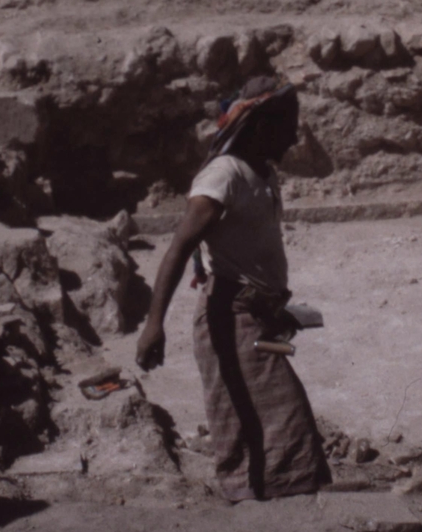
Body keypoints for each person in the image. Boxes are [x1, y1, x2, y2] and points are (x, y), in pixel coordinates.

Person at [136, 76, 331, 502]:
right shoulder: (224, 176)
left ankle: (266, 505)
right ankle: (258, 513)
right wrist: (154, 325)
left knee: (272, 424)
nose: (295, 136)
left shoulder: (261, 172)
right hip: (230, 320)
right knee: (277, 418)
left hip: (257, 315)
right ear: (261, 128)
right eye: (288, 126)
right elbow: (178, 248)